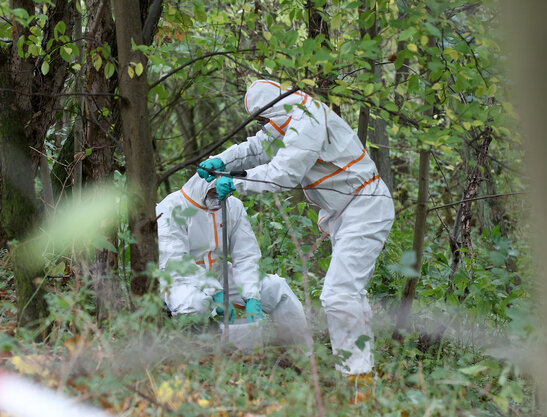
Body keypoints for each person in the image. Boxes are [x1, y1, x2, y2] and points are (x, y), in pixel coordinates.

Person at [198, 79, 395, 380]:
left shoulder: (308, 120)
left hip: (365, 207)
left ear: (275, 109)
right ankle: (358, 375)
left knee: (338, 295)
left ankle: (358, 382)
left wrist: (235, 182)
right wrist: (223, 160)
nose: (264, 125)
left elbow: (283, 175)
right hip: (346, 212)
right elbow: (258, 147)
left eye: (264, 118)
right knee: (350, 294)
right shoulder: (290, 117)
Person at [156, 174, 312, 347]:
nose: (224, 198)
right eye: (217, 192)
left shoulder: (233, 206)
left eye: (229, 192)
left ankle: (301, 354)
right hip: (180, 280)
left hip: (220, 273)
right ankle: (197, 362)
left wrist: (251, 295)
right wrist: (213, 291)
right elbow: (175, 260)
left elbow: (245, 254)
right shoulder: (171, 206)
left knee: (276, 287)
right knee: (194, 304)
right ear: (205, 185)